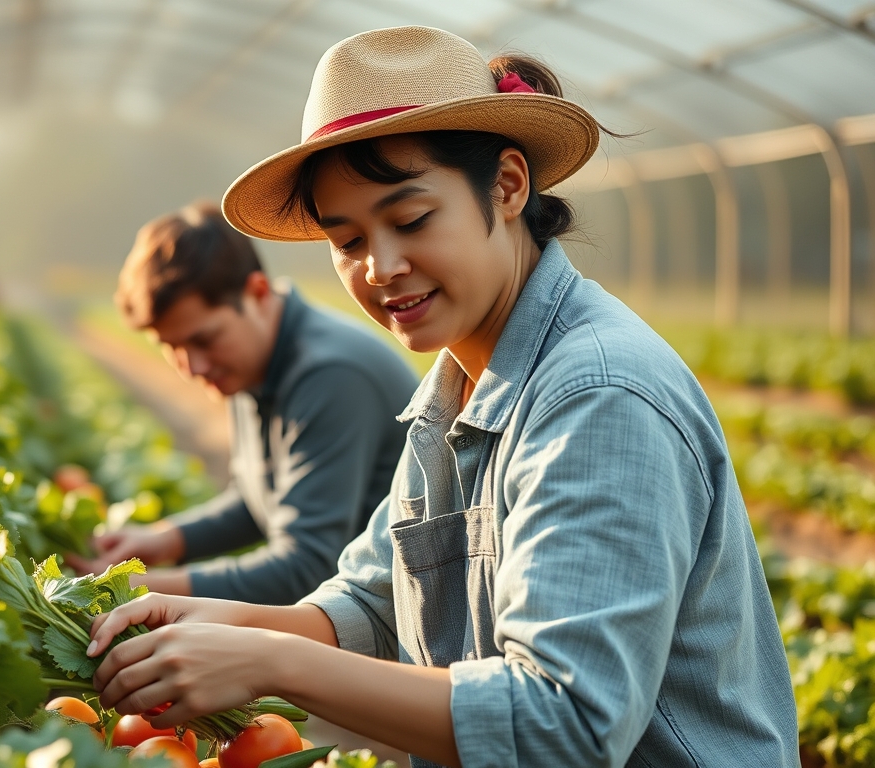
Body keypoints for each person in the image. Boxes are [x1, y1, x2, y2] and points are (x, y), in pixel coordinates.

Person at [85, 27, 799, 768]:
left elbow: (569, 727)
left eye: (411, 219)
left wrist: (271, 664)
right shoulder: (457, 383)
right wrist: (210, 621)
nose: (381, 267)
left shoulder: (598, 393)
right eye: (348, 240)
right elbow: (367, 603)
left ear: (508, 186)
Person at [70, 202, 419, 606]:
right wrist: (163, 540)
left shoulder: (332, 376)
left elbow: (306, 568)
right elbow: (258, 498)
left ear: (256, 292)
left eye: (203, 339)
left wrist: (144, 587)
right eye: (171, 347)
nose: (192, 366)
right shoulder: (249, 363)